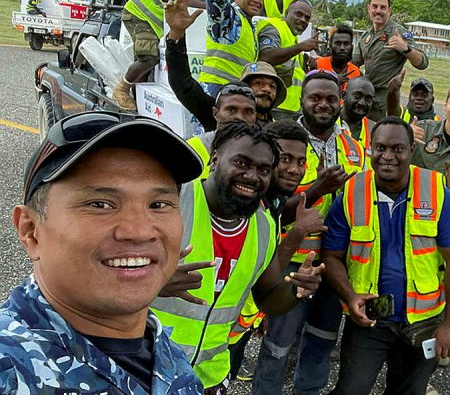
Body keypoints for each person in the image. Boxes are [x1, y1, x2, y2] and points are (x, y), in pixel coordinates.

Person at [4, 111, 204, 392]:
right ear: (30, 230)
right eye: (100, 204)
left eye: (158, 205)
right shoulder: (10, 367)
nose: (140, 231)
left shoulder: (161, 348)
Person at [151, 121, 325, 393]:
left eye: (263, 169)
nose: (252, 176)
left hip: (208, 378)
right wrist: (150, 283)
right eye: (242, 163)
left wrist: (297, 290)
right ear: (216, 158)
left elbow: (267, 298)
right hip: (142, 368)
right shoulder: (170, 201)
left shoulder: (265, 226)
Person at [321, 117, 450, 395]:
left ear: (411, 150)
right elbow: (330, 255)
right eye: (380, 148)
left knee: (409, 391)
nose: (388, 156)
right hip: (370, 320)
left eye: (397, 149)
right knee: (351, 389)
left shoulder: (436, 191)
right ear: (370, 150)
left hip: (424, 321)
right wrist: (350, 296)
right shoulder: (352, 192)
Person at [251, 69, 367, 395]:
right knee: (278, 345)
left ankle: (309, 391)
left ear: (340, 102)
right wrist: (319, 187)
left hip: (336, 265)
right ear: (302, 100)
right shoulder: (283, 142)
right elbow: (272, 205)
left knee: (322, 339)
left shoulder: (355, 149)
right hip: (292, 265)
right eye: (315, 97)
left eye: (331, 98)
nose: (323, 105)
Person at [165, 0, 287, 129]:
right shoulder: (230, 20)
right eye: (259, 83)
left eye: (272, 86)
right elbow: (182, 84)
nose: (266, 89)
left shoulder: (275, 131)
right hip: (215, 88)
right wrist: (176, 33)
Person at [114, 0, 209, 110]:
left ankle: (141, 102)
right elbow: (184, 2)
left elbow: (198, 6)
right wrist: (214, 7)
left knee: (150, 64)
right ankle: (122, 89)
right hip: (140, 14)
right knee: (149, 58)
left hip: (156, 23)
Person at [197, 0, 268, 99]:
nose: (256, 0)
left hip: (235, 93)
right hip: (217, 91)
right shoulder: (229, 18)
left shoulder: (249, 25)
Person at [353, 0, 429, 122]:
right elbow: (353, 63)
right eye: (375, 6)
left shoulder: (399, 32)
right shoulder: (365, 36)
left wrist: (405, 48)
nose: (378, 11)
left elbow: (423, 63)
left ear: (389, 11)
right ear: (369, 9)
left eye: (383, 7)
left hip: (386, 102)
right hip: (365, 99)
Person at [258, 0, 318, 119]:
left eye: (307, 18)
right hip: (276, 107)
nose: (303, 20)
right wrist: (300, 47)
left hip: (293, 109)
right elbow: (266, 56)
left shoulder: (292, 37)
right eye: (299, 14)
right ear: (286, 13)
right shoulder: (274, 28)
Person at [337, 76, 376, 150]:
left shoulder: (376, 131)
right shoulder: (327, 124)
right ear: (343, 95)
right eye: (357, 96)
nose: (362, 103)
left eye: (368, 99)